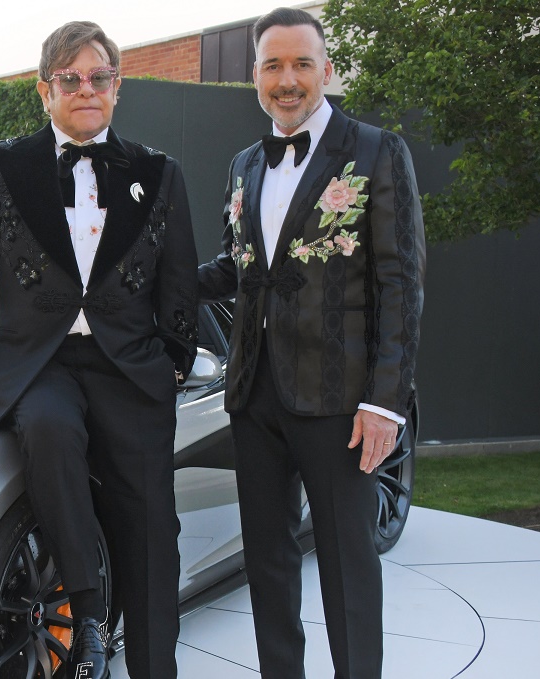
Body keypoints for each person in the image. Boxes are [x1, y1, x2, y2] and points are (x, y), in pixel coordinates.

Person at [0, 20, 198, 679]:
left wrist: (174, 360)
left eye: (99, 77)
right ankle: (88, 618)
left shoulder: (158, 173)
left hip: (130, 371)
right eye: (70, 78)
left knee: (151, 532)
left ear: (117, 87)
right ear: (44, 90)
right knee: (49, 429)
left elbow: (179, 278)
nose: (86, 89)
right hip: (39, 365)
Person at [197, 7, 426, 679]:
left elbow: (401, 284)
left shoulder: (377, 151)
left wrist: (385, 403)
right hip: (253, 395)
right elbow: (240, 266)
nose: (287, 79)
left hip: (340, 402)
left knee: (347, 567)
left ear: (325, 70)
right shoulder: (244, 164)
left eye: (301, 64)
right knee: (266, 566)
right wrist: (156, 279)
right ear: (255, 76)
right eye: (273, 65)